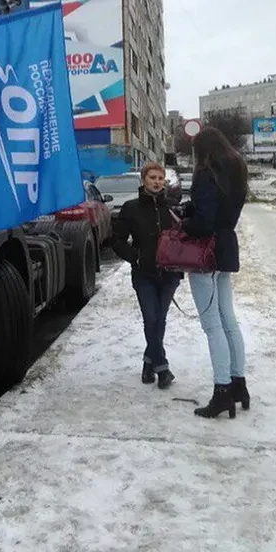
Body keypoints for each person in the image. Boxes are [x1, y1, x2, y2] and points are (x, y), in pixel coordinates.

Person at [179, 127, 250, 420]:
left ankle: (222, 391)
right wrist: (193, 209)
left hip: (205, 253)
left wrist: (184, 223)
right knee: (228, 320)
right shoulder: (236, 171)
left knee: (212, 325)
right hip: (225, 248)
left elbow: (204, 222)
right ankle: (238, 385)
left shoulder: (206, 175)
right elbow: (218, 212)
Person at [111, 161, 183, 389]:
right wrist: (136, 257)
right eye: (152, 178)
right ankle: (162, 369)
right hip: (144, 274)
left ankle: (148, 362)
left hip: (170, 274)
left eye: (160, 178)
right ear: (143, 180)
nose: (157, 182)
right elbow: (117, 241)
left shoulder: (172, 208)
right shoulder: (131, 208)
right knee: (151, 318)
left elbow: (182, 238)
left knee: (159, 321)